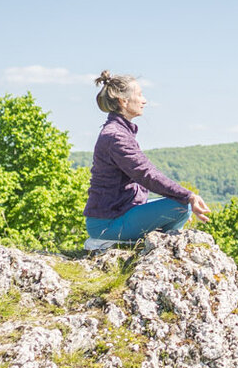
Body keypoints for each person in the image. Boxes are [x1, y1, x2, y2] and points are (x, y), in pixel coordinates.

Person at [84, 70, 210, 250]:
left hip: (116, 216)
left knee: (180, 205)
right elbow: (147, 175)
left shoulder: (118, 132)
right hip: (107, 225)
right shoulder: (115, 136)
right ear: (124, 101)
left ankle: (152, 244)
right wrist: (188, 196)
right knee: (181, 206)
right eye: (140, 95)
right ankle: (124, 244)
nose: (145, 100)